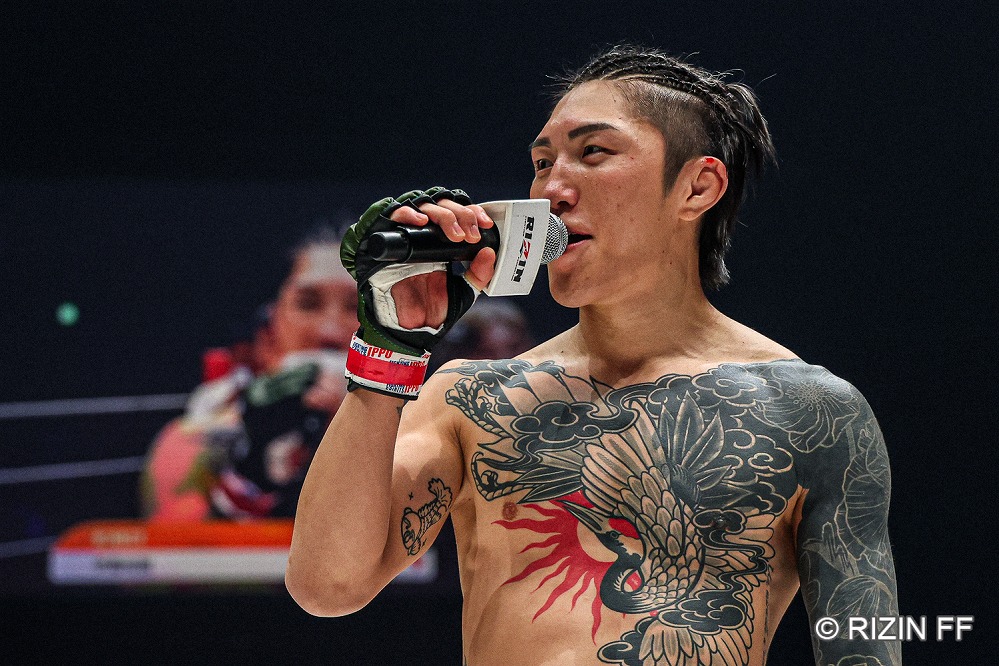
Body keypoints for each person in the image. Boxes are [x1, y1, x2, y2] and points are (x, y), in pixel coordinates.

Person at [286, 45, 899, 666]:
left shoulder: (812, 412)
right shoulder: (472, 397)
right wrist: (388, 351)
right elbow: (327, 587)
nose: (552, 188)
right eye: (541, 163)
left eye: (594, 152)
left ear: (698, 186)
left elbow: (864, 650)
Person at [141, 225, 357, 520]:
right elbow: (175, 539)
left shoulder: (417, 432)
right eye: (307, 304)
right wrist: (251, 468)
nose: (330, 333)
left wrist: (360, 432)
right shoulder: (194, 440)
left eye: (359, 309)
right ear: (266, 337)